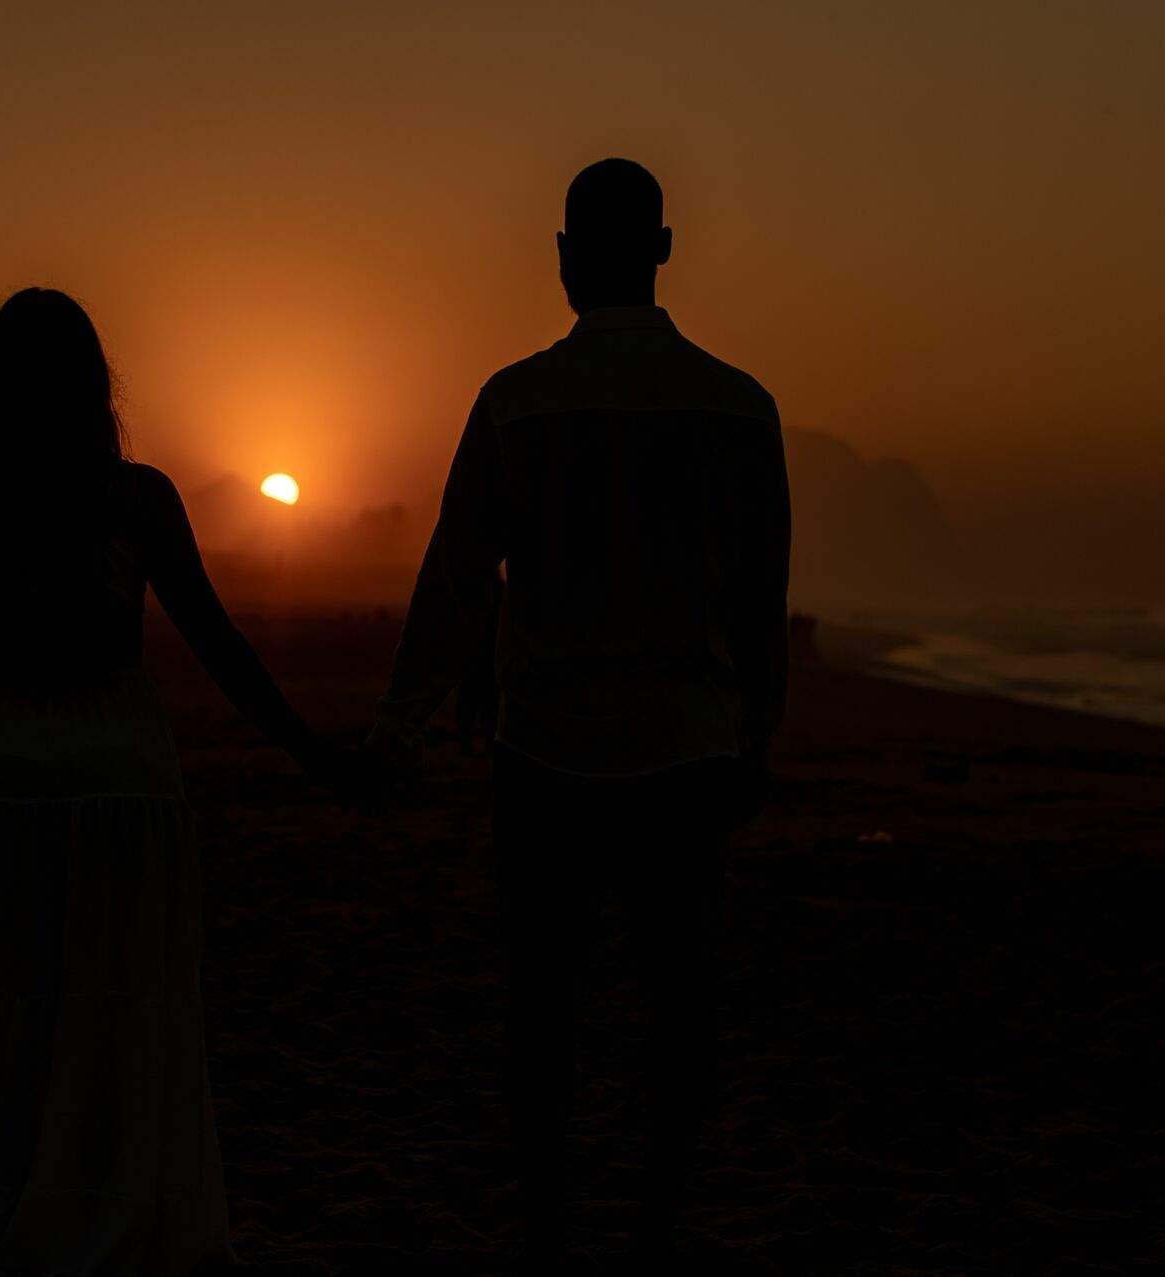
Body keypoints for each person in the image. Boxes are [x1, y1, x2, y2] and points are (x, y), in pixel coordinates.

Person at [367, 158, 792, 1264]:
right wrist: (760, 732)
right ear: (661, 251)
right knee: (678, 995)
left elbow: (459, 576)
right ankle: (656, 1210)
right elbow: (759, 593)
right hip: (687, 744)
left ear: (564, 258)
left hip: (546, 746)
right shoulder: (741, 408)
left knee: (544, 999)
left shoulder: (517, 401)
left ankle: (550, 1215)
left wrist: (403, 720)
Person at [0, 287, 360, 1275]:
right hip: (117, 766)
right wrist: (313, 751)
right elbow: (220, 646)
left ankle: (2, 1207)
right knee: (114, 1006)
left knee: (4, 1009)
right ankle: (102, 1211)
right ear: (94, 385)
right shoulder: (138, 498)